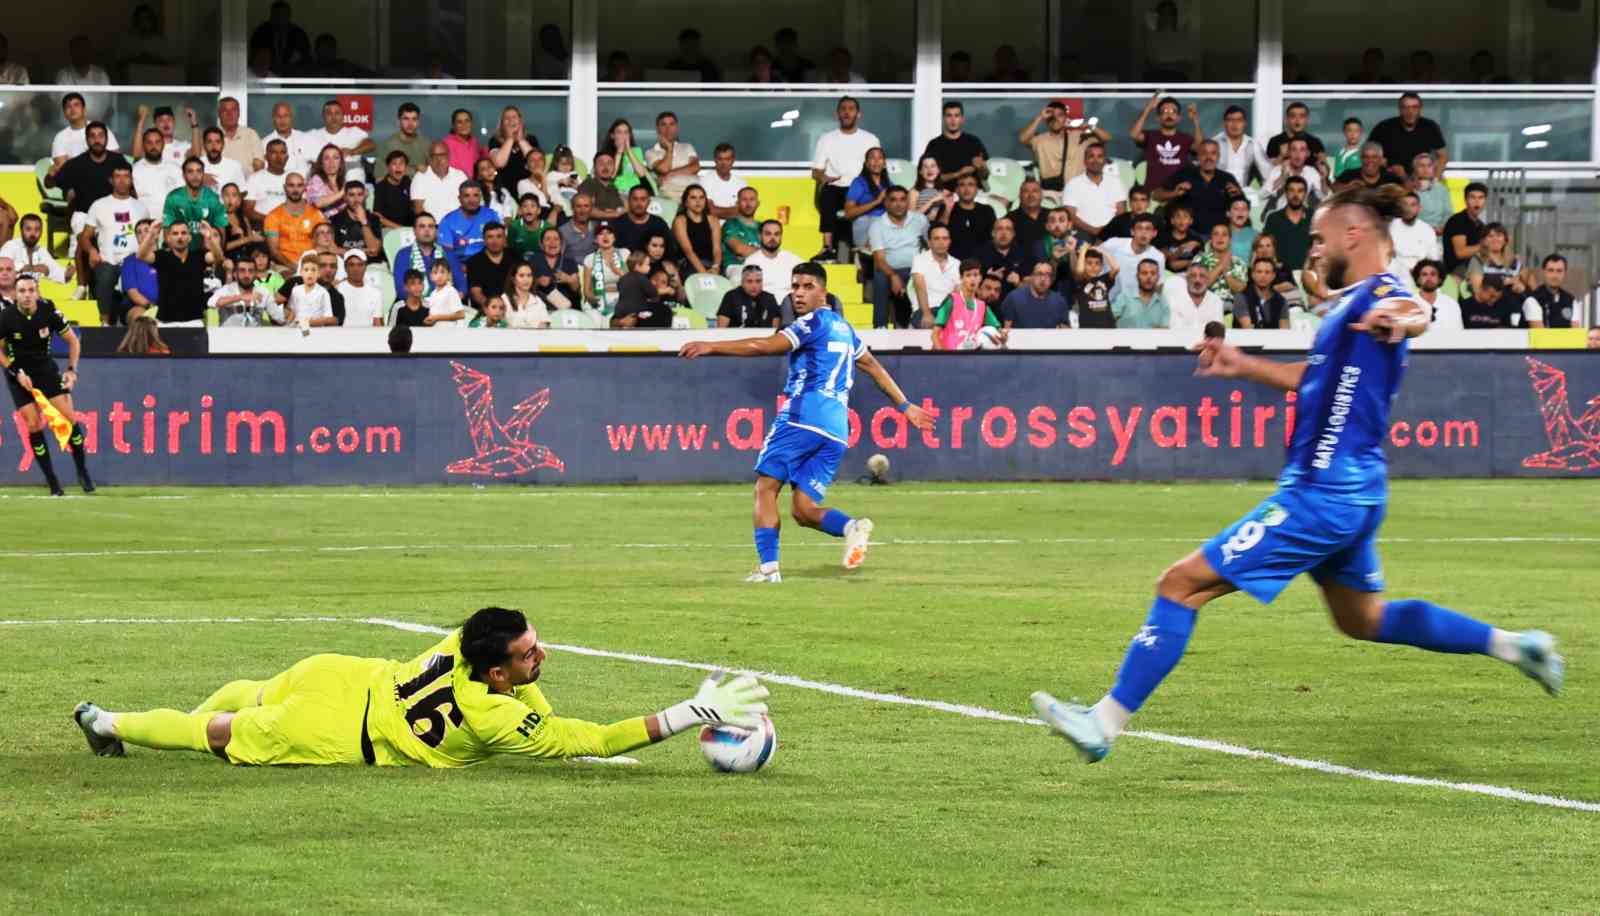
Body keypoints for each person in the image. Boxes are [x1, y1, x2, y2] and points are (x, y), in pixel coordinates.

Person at [1033, 183, 1565, 764]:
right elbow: (1315, 381)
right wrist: (1243, 365)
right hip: (1356, 489)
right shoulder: (1351, 307)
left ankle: (1103, 724)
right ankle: (1517, 647)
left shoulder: (1382, 295)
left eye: (1319, 238)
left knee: (1180, 584)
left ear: (1353, 234)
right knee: (1363, 618)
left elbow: (1417, 313)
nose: (1312, 250)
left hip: (1322, 493)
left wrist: (1400, 318)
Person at [72, 606, 771, 767]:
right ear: (497, 673)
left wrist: (532, 682)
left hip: (341, 673)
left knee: (249, 689)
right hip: (341, 732)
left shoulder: (464, 639)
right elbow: (592, 739)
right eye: (530, 653)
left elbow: (534, 697)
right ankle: (111, 724)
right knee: (217, 737)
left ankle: (143, 723)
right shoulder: (489, 715)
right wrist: (686, 712)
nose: (542, 653)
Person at [679, 262, 932, 581]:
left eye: (807, 286)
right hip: (837, 430)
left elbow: (767, 346)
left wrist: (711, 345)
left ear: (823, 292)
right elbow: (874, 367)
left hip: (803, 417)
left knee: (765, 488)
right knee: (803, 509)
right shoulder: (845, 329)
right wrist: (905, 405)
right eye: (795, 286)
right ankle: (852, 527)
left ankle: (768, 569)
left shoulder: (812, 323)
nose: (798, 293)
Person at [1, 273, 93, 495]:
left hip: (45, 371)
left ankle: (82, 470)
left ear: (37, 292)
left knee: (70, 420)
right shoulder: (6, 317)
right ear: (15, 294)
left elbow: (73, 341)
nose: (26, 295)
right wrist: (15, 371)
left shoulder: (48, 311)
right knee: (33, 425)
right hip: (18, 373)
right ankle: (53, 482)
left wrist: (72, 371)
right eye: (22, 291)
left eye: (31, 290)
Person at [811, 97, 880, 261]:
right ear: (837, 114)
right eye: (843, 109)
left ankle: (864, 247)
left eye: (851, 109)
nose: (847, 112)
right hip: (837, 186)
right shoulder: (826, 139)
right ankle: (827, 248)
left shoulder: (870, 139)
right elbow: (816, 172)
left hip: (861, 186)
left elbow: (877, 166)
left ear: (859, 114)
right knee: (827, 194)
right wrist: (825, 178)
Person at [79, 163, 146, 325]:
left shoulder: (141, 207)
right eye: (118, 176)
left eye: (126, 176)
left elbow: (146, 236)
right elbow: (84, 237)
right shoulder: (99, 205)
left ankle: (137, 322)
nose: (122, 181)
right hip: (108, 261)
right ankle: (105, 322)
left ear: (131, 180)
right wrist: (92, 251)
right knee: (106, 273)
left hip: (134, 262)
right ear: (111, 180)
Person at [868, 187, 930, 329]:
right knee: (880, 276)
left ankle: (924, 322)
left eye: (902, 199)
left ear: (908, 202)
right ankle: (880, 327)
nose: (899, 204)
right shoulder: (877, 225)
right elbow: (879, 259)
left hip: (917, 269)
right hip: (892, 269)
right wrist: (893, 276)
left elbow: (929, 246)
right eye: (893, 200)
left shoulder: (920, 220)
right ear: (886, 203)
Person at [139, 221, 221, 325]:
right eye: (175, 233)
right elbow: (141, 256)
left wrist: (210, 237)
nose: (180, 237)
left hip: (194, 320)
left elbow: (218, 257)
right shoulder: (162, 256)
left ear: (190, 237)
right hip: (166, 321)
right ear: (168, 238)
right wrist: (150, 234)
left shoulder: (199, 255)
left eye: (183, 233)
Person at [1154, 139, 1243, 234]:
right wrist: (1174, 193)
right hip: (1187, 235)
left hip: (1219, 236)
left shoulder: (1227, 178)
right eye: (1204, 153)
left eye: (1213, 153)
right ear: (1198, 156)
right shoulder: (1184, 174)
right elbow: (1156, 195)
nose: (1209, 157)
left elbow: (1243, 204)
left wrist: (1239, 194)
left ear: (1218, 156)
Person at [1018, 101, 1111, 190]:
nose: (1056, 118)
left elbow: (1106, 138)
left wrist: (1091, 126)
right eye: (1052, 116)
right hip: (1051, 193)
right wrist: (1040, 117)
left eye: (1060, 115)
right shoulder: (1039, 140)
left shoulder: (1079, 136)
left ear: (1066, 118)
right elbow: (1023, 138)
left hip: (1078, 190)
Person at [1128, 94, 1202, 193]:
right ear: (1158, 118)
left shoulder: (1185, 139)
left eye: (1173, 112)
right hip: (1153, 194)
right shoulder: (1150, 136)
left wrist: (1195, 121)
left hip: (1179, 193)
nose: (1169, 115)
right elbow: (1134, 134)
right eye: (1165, 111)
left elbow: (1200, 149)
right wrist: (1148, 109)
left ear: (1179, 118)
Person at [1368, 93, 1448, 179]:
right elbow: (1368, 154)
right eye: (1405, 107)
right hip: (1390, 182)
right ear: (1400, 109)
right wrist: (1381, 163)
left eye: (1414, 107)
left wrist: (1435, 180)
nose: (1410, 111)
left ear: (1420, 109)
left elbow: (1443, 156)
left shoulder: (1430, 127)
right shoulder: (1384, 127)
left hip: (1420, 181)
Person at [931, 259, 1003, 350]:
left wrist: (1003, 337)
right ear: (961, 278)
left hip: (970, 359)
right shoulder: (951, 300)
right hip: (949, 357)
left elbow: (999, 333)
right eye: (968, 275)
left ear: (980, 278)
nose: (972, 279)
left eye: (976, 275)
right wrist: (944, 356)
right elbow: (934, 335)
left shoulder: (983, 306)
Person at [1062, 143, 1127, 241]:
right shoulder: (1073, 184)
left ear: (1105, 161)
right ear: (1085, 161)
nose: (1095, 160)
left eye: (1100, 156)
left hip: (1111, 232)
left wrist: (1106, 230)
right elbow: (1071, 215)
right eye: (1091, 156)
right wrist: (1094, 230)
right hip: (1082, 232)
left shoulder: (1116, 182)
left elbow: (1121, 213)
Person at [163, 157, 229, 253]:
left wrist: (216, 256)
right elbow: (167, 233)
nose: (195, 176)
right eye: (190, 172)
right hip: (179, 254)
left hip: (206, 255)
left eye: (199, 171)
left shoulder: (214, 199)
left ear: (203, 174)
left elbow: (221, 233)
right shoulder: (173, 198)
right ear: (184, 175)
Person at [263, 172, 325, 274]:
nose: (295, 190)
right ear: (284, 187)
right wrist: (295, 267)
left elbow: (323, 244)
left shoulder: (316, 214)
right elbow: (274, 251)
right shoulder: (273, 216)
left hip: (312, 263)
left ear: (304, 187)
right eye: (291, 185)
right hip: (284, 266)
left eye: (299, 185)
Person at [922, 101, 988, 192]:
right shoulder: (934, 145)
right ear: (944, 119)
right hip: (945, 193)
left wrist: (981, 167)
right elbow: (930, 179)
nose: (953, 120)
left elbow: (985, 176)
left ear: (962, 119)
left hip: (973, 194)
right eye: (949, 116)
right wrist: (959, 173)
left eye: (956, 116)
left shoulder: (974, 142)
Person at [1098, 214, 1163, 303]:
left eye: (1148, 229)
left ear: (1154, 233)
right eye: (1139, 228)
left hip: (1134, 306)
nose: (1143, 233)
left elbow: (1157, 286)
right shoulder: (1113, 244)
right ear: (1132, 231)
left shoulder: (1158, 256)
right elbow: (1091, 255)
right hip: (1104, 300)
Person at [392, 213, 460, 299]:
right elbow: (401, 289)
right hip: (414, 306)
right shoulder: (403, 255)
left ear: (436, 231)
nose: (427, 230)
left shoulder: (448, 253)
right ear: (414, 231)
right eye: (422, 226)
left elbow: (461, 286)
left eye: (431, 226)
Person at [742, 220, 804, 306]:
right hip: (763, 307)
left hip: (790, 305)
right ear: (760, 237)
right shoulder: (751, 261)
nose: (772, 238)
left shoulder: (794, 260)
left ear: (781, 237)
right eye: (768, 234)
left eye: (776, 234)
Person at [911, 225, 961, 329]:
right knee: (931, 324)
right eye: (936, 238)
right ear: (929, 242)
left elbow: (957, 293)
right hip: (924, 310)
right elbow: (920, 288)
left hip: (947, 311)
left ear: (949, 241)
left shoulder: (957, 263)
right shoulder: (919, 259)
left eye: (945, 238)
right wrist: (926, 314)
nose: (941, 242)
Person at [843, 147, 891, 255]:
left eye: (880, 158)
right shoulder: (859, 182)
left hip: (886, 225)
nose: (876, 161)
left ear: (884, 163)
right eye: (872, 158)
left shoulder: (889, 184)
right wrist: (877, 201)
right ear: (866, 163)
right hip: (866, 223)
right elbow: (848, 213)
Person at [1212, 105, 1272, 189]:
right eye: (1230, 120)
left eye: (1239, 120)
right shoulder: (1215, 143)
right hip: (1218, 194)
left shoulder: (1252, 144)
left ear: (1245, 123)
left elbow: (1268, 173)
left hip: (1241, 196)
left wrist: (1261, 195)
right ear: (1224, 123)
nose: (1235, 124)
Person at [438, 181, 498, 262]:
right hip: (460, 265)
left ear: (480, 197)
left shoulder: (491, 215)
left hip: (488, 262)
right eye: (466, 196)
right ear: (459, 199)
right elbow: (447, 253)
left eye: (476, 195)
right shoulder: (448, 221)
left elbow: (500, 244)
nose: (471, 200)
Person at [1262, 176, 1314, 270]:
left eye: (1300, 191)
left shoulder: (1314, 217)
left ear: (1305, 194)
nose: (1295, 195)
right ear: (1286, 193)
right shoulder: (1273, 218)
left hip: (1308, 273)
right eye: (1291, 190)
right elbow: (1266, 247)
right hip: (1281, 274)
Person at [646, 111, 700, 201]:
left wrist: (671, 174)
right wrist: (669, 149)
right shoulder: (651, 152)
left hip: (692, 195)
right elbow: (664, 169)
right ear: (657, 128)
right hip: (669, 197)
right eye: (663, 125)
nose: (668, 129)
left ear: (676, 127)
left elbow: (695, 167)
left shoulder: (687, 147)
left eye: (671, 124)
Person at [1467, 222, 1529, 300]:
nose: (1495, 239)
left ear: (1505, 240)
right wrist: (1504, 283)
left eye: (1499, 235)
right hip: (1486, 307)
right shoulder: (1477, 260)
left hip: (1513, 305)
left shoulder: (1515, 262)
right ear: (1483, 241)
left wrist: (1520, 286)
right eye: (1490, 236)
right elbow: (1477, 291)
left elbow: (1523, 285)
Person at [486, 106, 538, 198]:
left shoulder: (531, 140)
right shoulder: (495, 141)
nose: (511, 121)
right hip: (504, 191)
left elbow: (535, 163)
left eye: (514, 117)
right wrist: (510, 138)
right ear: (502, 123)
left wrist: (520, 140)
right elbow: (499, 163)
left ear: (520, 121)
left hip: (528, 190)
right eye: (507, 118)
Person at [1000, 261, 1070, 329]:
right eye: (1039, 274)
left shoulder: (1059, 301)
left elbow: (1065, 330)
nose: (1043, 279)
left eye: (1047, 275)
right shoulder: (1014, 298)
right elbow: (1006, 330)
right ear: (1032, 277)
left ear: (1052, 279)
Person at [1388, 191, 1441, 281]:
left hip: (1421, 274)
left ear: (1419, 208)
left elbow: (1433, 258)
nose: (1408, 209)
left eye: (1413, 205)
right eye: (1405, 204)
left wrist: (1419, 270)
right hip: (1396, 273)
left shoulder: (1427, 230)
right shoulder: (1390, 227)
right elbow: (1387, 256)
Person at [133, 127, 183, 220]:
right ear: (143, 145)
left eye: (157, 142)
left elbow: (183, 198)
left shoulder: (175, 169)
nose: (153, 146)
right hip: (146, 225)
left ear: (163, 144)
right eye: (149, 142)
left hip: (172, 224)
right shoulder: (135, 171)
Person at [2, 215, 70, 284]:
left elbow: (56, 272)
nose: (33, 233)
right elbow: (3, 268)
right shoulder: (11, 246)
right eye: (28, 229)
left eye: (37, 230)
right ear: (21, 230)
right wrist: (33, 268)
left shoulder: (41, 250)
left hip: (30, 292)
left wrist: (68, 273)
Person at [411, 142, 468, 224]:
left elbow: (468, 202)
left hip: (458, 224)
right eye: (435, 156)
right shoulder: (420, 177)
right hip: (432, 227)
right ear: (429, 158)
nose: (439, 159)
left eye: (442, 155)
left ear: (448, 156)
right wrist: (431, 226)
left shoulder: (460, 176)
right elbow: (418, 208)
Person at [1163, 261, 1226, 334]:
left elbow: (1217, 331)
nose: (1197, 280)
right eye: (1193, 276)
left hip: (1207, 344)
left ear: (1207, 279)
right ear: (1186, 278)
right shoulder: (1174, 299)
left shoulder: (1216, 301)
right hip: (1179, 342)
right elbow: (1174, 328)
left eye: (1202, 276)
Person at [580, 222, 628, 315]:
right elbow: (587, 291)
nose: (605, 236)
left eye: (609, 233)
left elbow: (633, 282)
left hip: (621, 299)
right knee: (594, 317)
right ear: (595, 239)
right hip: (598, 299)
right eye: (601, 233)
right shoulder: (590, 258)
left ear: (614, 238)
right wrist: (596, 301)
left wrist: (617, 270)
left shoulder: (624, 253)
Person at [610, 251, 667, 329]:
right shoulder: (641, 278)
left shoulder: (623, 278)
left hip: (620, 309)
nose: (649, 267)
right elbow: (653, 292)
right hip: (636, 310)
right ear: (637, 266)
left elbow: (619, 287)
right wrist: (664, 291)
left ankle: (622, 321)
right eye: (647, 265)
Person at [208, 258, 274, 326]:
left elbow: (279, 317)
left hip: (255, 335)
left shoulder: (263, 292)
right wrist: (240, 297)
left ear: (256, 274)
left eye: (251, 271)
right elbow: (211, 303)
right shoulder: (227, 289)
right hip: (228, 335)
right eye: (242, 271)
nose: (246, 275)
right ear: (235, 274)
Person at [465, 222, 516, 310]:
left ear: (505, 239)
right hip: (487, 309)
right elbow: (476, 293)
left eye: (499, 236)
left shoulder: (515, 256)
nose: (495, 241)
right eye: (490, 237)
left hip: (514, 306)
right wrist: (494, 309)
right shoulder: (474, 262)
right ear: (484, 240)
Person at [672, 185, 720, 276]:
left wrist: (716, 268)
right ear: (686, 202)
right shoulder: (680, 221)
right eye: (693, 198)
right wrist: (705, 274)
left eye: (701, 197)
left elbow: (717, 249)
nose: (698, 201)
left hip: (710, 265)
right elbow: (689, 252)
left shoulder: (713, 220)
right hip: (688, 264)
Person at [261, 102, 316, 180]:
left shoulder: (306, 138)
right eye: (278, 116)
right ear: (273, 119)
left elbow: (319, 163)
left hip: (305, 186)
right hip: (276, 187)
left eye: (286, 116)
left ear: (292, 117)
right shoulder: (264, 143)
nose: (282, 120)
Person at [945, 174, 995, 261]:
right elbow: (940, 233)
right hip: (952, 262)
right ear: (956, 190)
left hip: (981, 261)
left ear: (977, 189)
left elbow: (994, 238)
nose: (966, 189)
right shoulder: (948, 209)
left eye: (971, 185)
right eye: (962, 185)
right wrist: (947, 210)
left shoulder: (987, 210)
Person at [1443, 182, 1488, 278]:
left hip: (1475, 267)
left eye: (1481, 198)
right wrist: (1485, 245)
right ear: (1465, 200)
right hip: (1457, 271)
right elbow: (1460, 253)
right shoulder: (1458, 221)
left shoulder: (1481, 225)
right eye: (1473, 197)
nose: (1477, 202)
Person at [977, 217, 1028, 299]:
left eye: (1008, 229)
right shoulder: (980, 253)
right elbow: (970, 284)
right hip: (987, 302)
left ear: (1013, 234)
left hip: (1014, 302)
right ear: (993, 233)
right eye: (999, 229)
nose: (1004, 233)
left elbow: (1031, 287)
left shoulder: (1023, 254)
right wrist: (986, 276)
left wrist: (1018, 283)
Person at [243, 139, 291, 226]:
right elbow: (248, 210)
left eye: (282, 152)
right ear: (266, 157)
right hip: (263, 226)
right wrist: (272, 221)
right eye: (273, 153)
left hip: (291, 226)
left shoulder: (293, 178)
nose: (278, 157)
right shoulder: (254, 178)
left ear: (287, 157)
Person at [1521, 254, 1576, 329]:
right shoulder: (1532, 300)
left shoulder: (1571, 300)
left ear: (1565, 273)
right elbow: (1541, 336)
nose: (1555, 275)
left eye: (1559, 271)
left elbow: (1576, 333)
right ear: (1543, 272)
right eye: (1550, 270)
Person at [1111, 259, 1169, 329]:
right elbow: (1108, 320)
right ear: (1137, 276)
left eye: (1153, 273)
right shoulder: (1124, 297)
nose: (1149, 277)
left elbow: (1164, 332)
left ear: (1158, 277)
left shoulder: (1163, 302)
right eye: (1144, 273)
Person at [601, 119, 652, 198]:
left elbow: (641, 173)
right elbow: (611, 176)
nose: (623, 136)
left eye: (626, 132)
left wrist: (628, 150)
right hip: (616, 192)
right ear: (612, 135)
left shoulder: (636, 151)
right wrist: (619, 153)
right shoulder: (606, 154)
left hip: (635, 193)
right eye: (619, 132)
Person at [612, 185, 670, 256]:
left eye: (643, 199)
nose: (639, 204)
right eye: (635, 199)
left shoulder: (659, 224)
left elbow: (669, 250)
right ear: (629, 201)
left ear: (649, 202)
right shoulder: (617, 223)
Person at [530, 226, 579, 308]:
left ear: (561, 243)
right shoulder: (534, 259)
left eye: (556, 239)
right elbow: (524, 284)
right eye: (547, 239)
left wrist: (569, 280)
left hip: (565, 306)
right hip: (540, 306)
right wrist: (538, 281)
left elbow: (576, 289)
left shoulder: (569, 260)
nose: (552, 242)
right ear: (541, 244)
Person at [1070, 246, 1117, 329]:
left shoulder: (1105, 280)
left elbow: (1116, 268)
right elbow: (1080, 270)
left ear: (1102, 266)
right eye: (1089, 263)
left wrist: (1102, 251)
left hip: (1108, 327)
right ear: (1083, 264)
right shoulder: (1080, 281)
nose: (1093, 267)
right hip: (1088, 328)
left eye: (1097, 263)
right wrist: (1083, 250)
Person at [1235, 257, 1289, 328]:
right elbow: (1247, 327)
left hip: (1275, 338)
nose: (1263, 276)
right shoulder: (1241, 297)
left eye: (1267, 272)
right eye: (1259, 272)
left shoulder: (1281, 300)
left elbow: (1284, 330)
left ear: (1273, 276)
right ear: (1252, 274)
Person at [336, 249, 384, 327]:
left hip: (368, 337)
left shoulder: (376, 293)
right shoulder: (337, 290)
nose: (356, 269)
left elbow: (377, 322)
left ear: (365, 267)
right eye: (351, 265)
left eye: (360, 265)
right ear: (345, 268)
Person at [1410, 259, 1462, 330]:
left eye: (1433, 274)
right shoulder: (1409, 304)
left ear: (1439, 279)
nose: (1429, 278)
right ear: (1418, 279)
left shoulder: (1451, 304)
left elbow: (1458, 334)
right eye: (1424, 274)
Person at [1333, 142, 1404, 193]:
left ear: (1381, 159)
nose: (1370, 161)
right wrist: (1348, 187)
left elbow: (1407, 192)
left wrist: (1403, 175)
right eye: (1366, 157)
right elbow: (1334, 188)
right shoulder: (1349, 174)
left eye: (1374, 157)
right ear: (1361, 159)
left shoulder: (1390, 177)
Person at [701, 144, 747, 220]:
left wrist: (720, 211)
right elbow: (712, 211)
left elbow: (746, 211)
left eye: (727, 159)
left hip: (738, 229)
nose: (724, 163)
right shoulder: (705, 181)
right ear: (715, 160)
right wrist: (737, 210)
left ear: (733, 160)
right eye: (720, 159)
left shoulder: (741, 183)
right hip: (714, 229)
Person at [499, 262, 551, 329]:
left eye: (529, 275)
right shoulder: (504, 299)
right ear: (513, 279)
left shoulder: (538, 301)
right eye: (521, 275)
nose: (526, 279)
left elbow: (545, 324)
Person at [1154, 204, 1204, 273]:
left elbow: (1200, 262)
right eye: (1178, 216)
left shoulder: (1196, 240)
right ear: (1172, 221)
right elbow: (1168, 263)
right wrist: (1182, 249)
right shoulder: (1162, 238)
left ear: (1191, 221)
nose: (1182, 220)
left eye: (1185, 216)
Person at [576, 151, 625, 221]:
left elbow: (627, 208)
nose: (605, 167)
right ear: (594, 167)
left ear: (614, 167)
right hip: (596, 227)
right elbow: (585, 210)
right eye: (601, 163)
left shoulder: (615, 187)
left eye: (609, 163)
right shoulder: (589, 184)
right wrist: (614, 214)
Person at [216, 97, 260, 174]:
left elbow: (259, 164)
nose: (229, 114)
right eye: (225, 110)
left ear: (239, 113)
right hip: (219, 184)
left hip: (246, 184)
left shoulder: (251, 134)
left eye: (233, 110)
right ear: (219, 114)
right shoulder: (211, 136)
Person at [1006, 179, 1048, 255]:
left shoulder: (1052, 216)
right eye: (1026, 191)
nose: (1030, 195)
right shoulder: (1009, 220)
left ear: (1041, 195)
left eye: (1035, 191)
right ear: (1019, 195)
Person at [1411, 153, 1450, 233]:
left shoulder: (1441, 188)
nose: (1426, 169)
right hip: (1417, 232)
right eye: (1421, 166)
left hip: (1439, 233)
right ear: (1415, 169)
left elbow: (1448, 213)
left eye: (1429, 166)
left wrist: (1442, 228)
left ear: (1433, 168)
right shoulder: (1410, 189)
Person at [442, 109, 488, 178]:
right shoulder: (446, 143)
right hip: (456, 185)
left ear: (471, 123)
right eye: (459, 122)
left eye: (467, 121)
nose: (464, 125)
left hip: (474, 186)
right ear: (454, 126)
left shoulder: (475, 142)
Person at [909, 156, 953, 226]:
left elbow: (945, 223)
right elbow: (911, 219)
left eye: (933, 166)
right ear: (920, 171)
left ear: (938, 170)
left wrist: (948, 207)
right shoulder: (914, 191)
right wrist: (932, 201)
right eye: (925, 167)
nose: (929, 170)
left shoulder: (945, 192)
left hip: (937, 231)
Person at [423, 259, 467, 324]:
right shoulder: (433, 293)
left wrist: (437, 317)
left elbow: (461, 315)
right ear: (431, 276)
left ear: (449, 275)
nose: (439, 276)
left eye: (442, 272)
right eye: (435, 273)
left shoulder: (451, 291)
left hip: (448, 331)